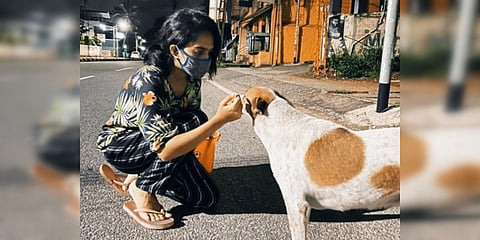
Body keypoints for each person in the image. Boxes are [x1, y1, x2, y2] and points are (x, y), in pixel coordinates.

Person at [96, 8, 243, 229]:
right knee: (195, 120)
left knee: (206, 199)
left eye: (210, 53)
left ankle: (136, 177)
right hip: (124, 146)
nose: (205, 59)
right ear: (175, 50)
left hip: (164, 141)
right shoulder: (148, 79)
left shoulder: (192, 80)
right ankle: (142, 188)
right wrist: (219, 120)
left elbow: (185, 137)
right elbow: (166, 148)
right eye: (199, 51)